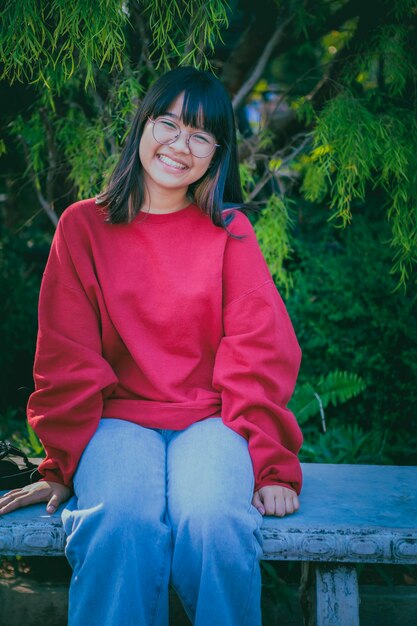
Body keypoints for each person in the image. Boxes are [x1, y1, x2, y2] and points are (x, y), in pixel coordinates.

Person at [0, 66, 303, 626]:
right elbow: (67, 356)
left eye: (200, 135)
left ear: (217, 153)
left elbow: (258, 353)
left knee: (215, 519)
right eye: (168, 123)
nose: (179, 145)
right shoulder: (83, 227)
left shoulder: (231, 233)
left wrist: (273, 468)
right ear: (143, 124)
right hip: (115, 420)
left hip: (211, 420)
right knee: (119, 520)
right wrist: (62, 461)